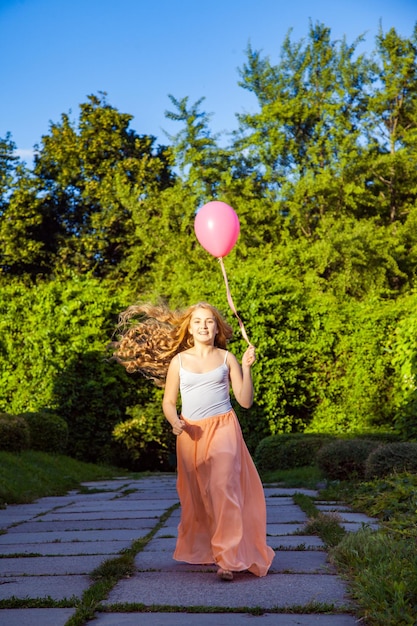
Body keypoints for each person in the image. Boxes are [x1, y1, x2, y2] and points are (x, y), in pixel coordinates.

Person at [112, 301, 274, 581]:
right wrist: (174, 421)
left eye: (209, 321)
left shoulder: (227, 358)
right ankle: (211, 548)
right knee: (200, 495)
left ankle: (228, 559)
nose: (203, 326)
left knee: (223, 487)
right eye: (197, 321)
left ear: (217, 328)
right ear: (189, 328)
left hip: (223, 427)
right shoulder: (180, 361)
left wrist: (247, 368)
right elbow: (169, 401)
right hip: (190, 434)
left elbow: (245, 402)